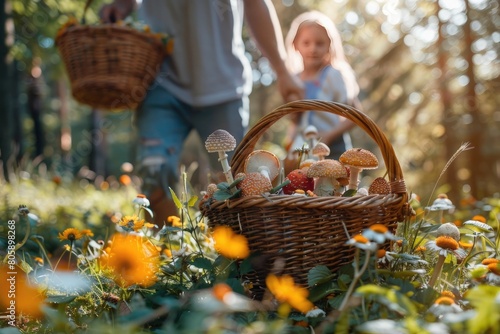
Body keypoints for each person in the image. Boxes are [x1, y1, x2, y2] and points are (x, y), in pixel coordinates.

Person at [100, 0, 304, 224]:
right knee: (154, 168)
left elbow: (254, 4)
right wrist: (122, 5)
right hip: (159, 83)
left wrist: (282, 70)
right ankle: (167, 248)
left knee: (234, 181)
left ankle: (236, 250)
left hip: (223, 86)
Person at [284, 10, 361, 161]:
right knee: (302, 183)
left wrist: (329, 136)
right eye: (306, 43)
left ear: (329, 45)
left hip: (333, 148)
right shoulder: (294, 80)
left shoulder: (333, 75)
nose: (312, 49)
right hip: (304, 149)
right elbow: (296, 120)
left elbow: (355, 114)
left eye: (319, 43)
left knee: (334, 182)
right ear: (295, 45)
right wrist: (289, 141)